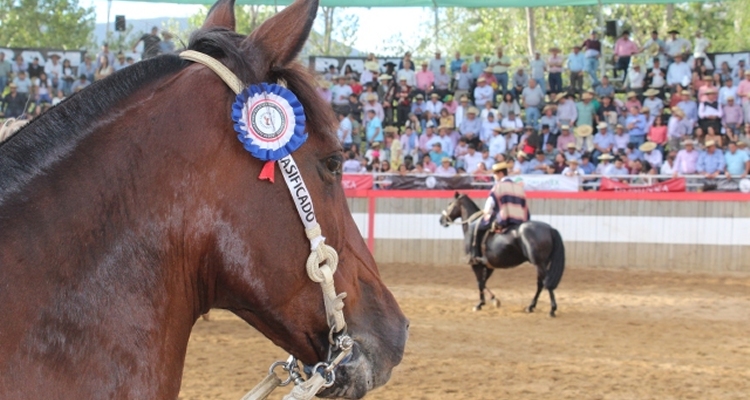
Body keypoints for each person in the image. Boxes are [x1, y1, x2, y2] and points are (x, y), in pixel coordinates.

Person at [471, 161, 529, 264]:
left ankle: (477, 256)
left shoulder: (498, 186)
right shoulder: (518, 187)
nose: (494, 176)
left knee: (476, 227)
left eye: (495, 174)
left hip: (505, 219)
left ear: (500, 174)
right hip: (521, 220)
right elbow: (525, 206)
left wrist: (486, 213)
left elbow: (490, 205)